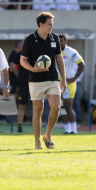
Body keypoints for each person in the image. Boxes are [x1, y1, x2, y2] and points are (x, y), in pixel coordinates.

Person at [20, 12, 66, 149]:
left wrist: (63, 78)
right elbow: (23, 60)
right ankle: (37, 142)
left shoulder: (55, 38)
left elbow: (59, 59)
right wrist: (32, 69)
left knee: (56, 107)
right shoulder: (29, 39)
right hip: (35, 80)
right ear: (41, 25)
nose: (52, 27)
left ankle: (47, 135)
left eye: (52, 24)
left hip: (52, 78)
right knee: (38, 110)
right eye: (49, 24)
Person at [58, 34, 85, 134]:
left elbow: (82, 64)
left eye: (61, 41)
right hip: (57, 83)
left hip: (69, 84)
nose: (60, 43)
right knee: (61, 107)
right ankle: (67, 130)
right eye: (58, 41)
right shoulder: (53, 52)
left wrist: (74, 78)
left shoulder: (71, 52)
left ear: (66, 42)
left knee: (68, 106)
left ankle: (74, 130)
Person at [14, 46, 30, 133]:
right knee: (21, 105)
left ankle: (37, 125)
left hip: (35, 83)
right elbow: (15, 69)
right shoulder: (19, 55)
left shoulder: (36, 53)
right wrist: (22, 79)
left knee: (37, 105)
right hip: (23, 85)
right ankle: (20, 126)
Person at [8, 40, 23, 113]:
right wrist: (20, 77)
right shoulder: (14, 54)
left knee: (20, 98)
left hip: (17, 81)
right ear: (20, 46)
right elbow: (11, 68)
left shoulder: (19, 55)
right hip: (14, 80)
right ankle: (4, 115)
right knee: (14, 96)